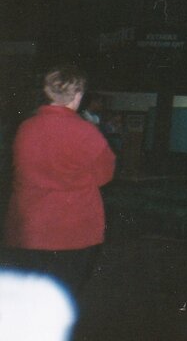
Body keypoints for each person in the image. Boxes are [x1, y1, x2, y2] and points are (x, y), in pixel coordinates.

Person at [3, 65, 116, 299]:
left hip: (28, 230)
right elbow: (105, 175)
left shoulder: (25, 128)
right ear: (78, 95)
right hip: (72, 234)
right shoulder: (85, 132)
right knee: (62, 300)